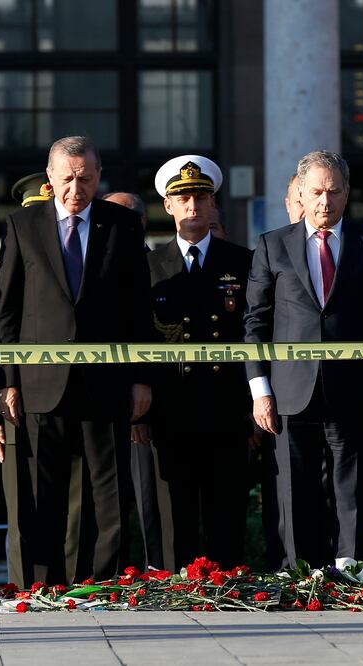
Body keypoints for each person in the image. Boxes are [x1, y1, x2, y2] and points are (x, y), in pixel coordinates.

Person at [0, 136, 153, 584]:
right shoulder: (22, 226)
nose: (75, 188)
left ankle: (104, 584)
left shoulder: (122, 225)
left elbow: (139, 309)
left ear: (99, 177)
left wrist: (141, 379)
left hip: (106, 386)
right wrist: (9, 380)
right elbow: (8, 313)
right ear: (50, 178)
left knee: (109, 495)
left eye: (85, 178)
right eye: (66, 178)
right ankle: (43, 585)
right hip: (40, 385)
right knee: (41, 495)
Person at [245, 150, 363, 567]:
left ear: (347, 193)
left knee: (350, 492)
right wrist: (260, 391)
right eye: (315, 192)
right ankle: (299, 577)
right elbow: (255, 325)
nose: (324, 202)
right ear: (299, 191)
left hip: (353, 395)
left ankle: (349, 573)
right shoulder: (272, 245)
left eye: (333, 192)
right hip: (289, 395)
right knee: (294, 493)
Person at [133, 155, 253, 570]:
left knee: (227, 510)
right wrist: (139, 412)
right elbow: (138, 339)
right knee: (173, 512)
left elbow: (253, 335)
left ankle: (229, 589)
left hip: (226, 406)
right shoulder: (147, 267)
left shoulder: (242, 262)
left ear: (213, 204)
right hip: (169, 408)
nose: (193, 206)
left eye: (201, 197)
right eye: (182, 197)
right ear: (167, 205)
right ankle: (171, 588)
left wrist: (255, 404)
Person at [0, 172, 53, 588]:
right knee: (22, 505)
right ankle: (26, 589)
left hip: (62, 396)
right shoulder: (0, 270)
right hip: (15, 405)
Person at [102, 189, 165, 570]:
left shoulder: (156, 264)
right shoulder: (96, 265)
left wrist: (142, 397)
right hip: (104, 403)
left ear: (139, 224)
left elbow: (151, 335)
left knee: (149, 503)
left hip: (148, 403)